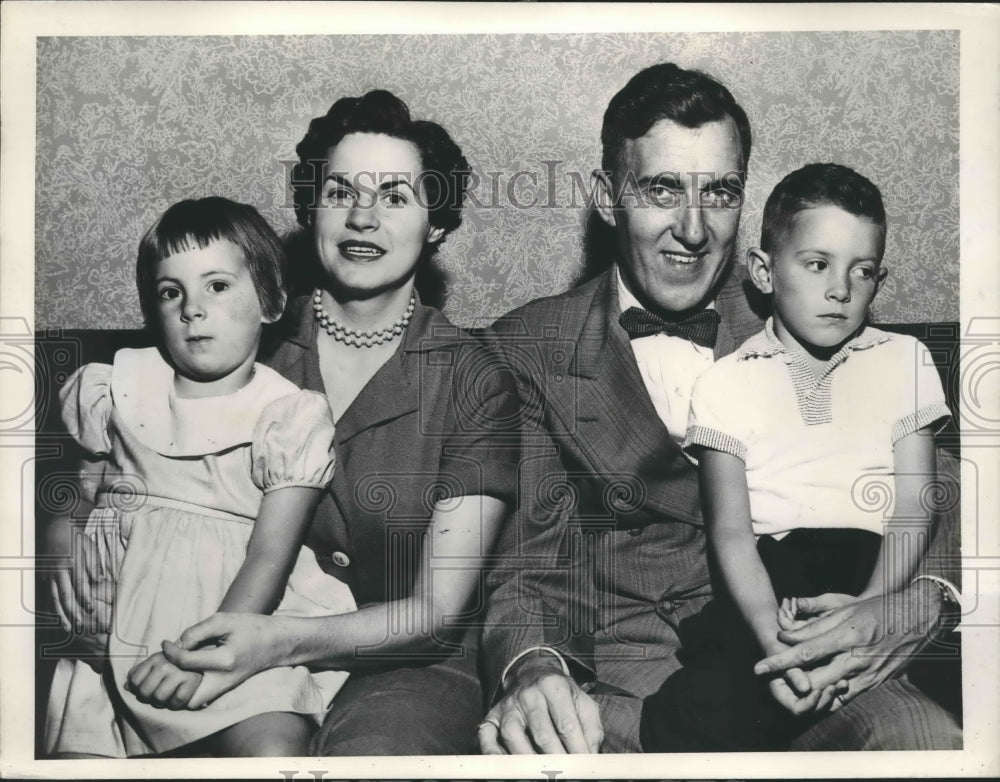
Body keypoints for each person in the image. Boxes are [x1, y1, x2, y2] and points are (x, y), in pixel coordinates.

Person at [479, 63, 962, 753]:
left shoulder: (805, 313)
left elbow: (941, 485)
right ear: (609, 198)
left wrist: (924, 602)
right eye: (662, 189)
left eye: (721, 193)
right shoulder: (527, 347)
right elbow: (527, 564)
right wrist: (534, 667)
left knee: (925, 740)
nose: (694, 229)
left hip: (807, 655)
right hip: (623, 691)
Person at [150, 90, 520, 755]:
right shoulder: (239, 335)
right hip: (225, 627)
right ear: (310, 208)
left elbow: (436, 614)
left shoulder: (473, 378)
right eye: (341, 190)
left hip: (408, 664)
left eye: (395, 197)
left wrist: (281, 640)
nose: (363, 218)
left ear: (436, 225)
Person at [640, 163, 958, 751]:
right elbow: (731, 535)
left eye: (861, 272)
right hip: (776, 583)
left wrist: (873, 609)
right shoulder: (725, 383)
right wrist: (773, 639)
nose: (841, 288)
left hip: (879, 568)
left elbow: (916, 507)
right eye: (817, 265)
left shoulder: (904, 359)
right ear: (764, 271)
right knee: (701, 716)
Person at [44, 197, 355, 758]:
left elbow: (269, 558)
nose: (192, 308)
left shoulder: (288, 416)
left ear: (271, 301)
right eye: (171, 291)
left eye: (216, 286)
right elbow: (78, 493)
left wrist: (205, 656)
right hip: (111, 636)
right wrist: (62, 551)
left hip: (236, 628)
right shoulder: (113, 386)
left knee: (272, 750)